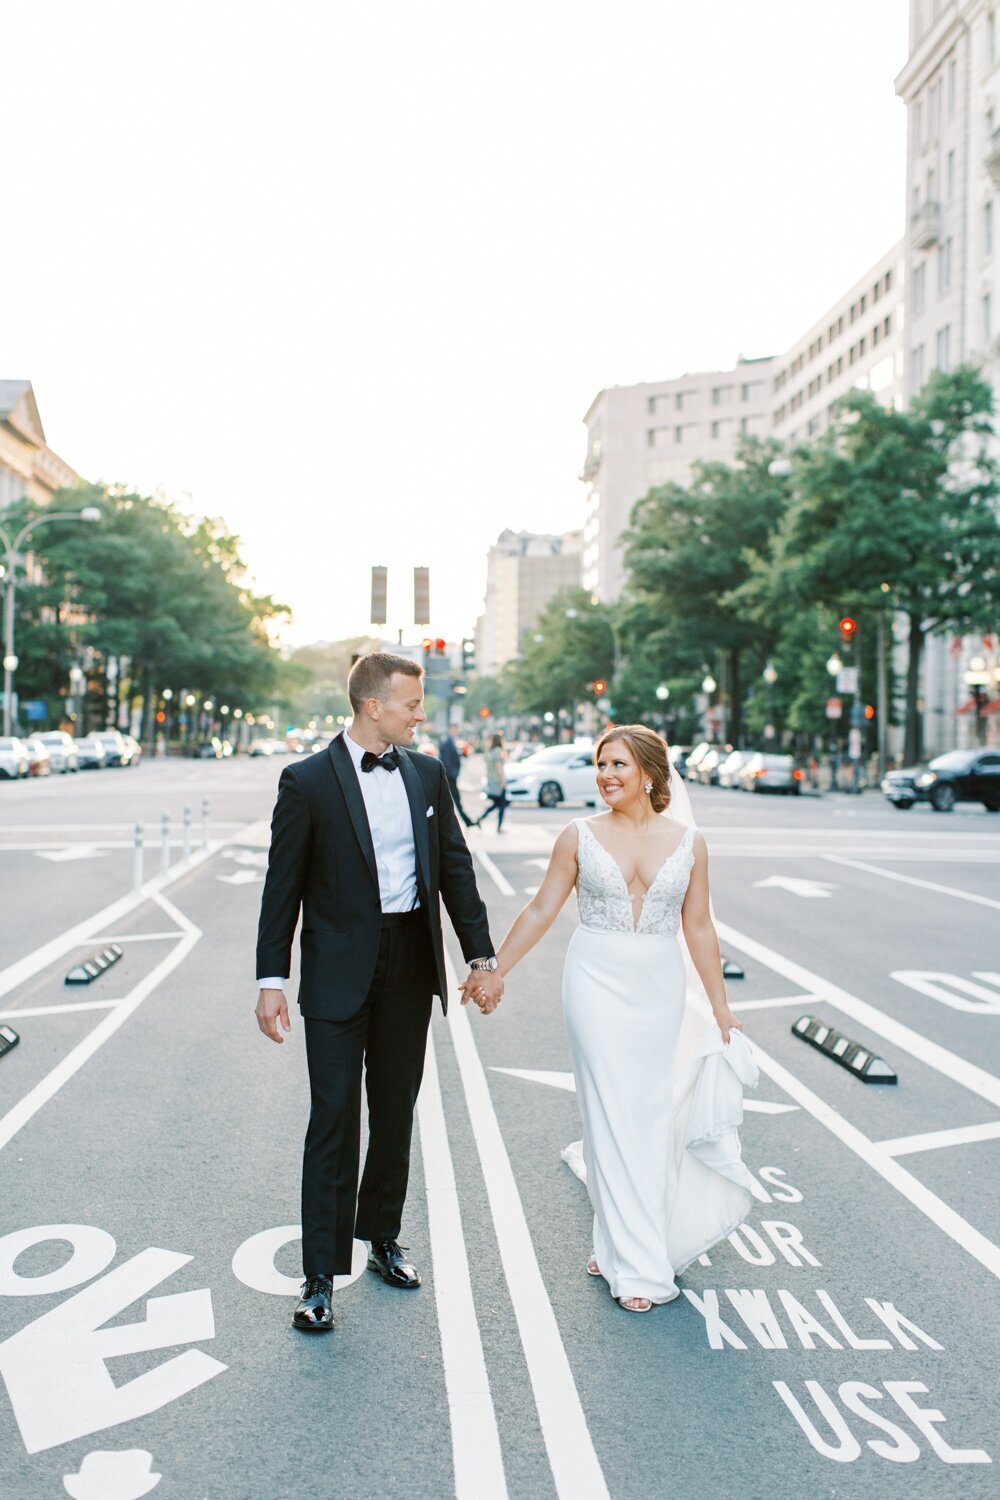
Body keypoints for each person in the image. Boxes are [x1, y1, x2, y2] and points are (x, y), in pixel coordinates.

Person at [462, 723, 756, 1313]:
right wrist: (495, 969)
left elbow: (698, 927)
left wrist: (721, 1007)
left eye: (618, 765)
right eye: (601, 765)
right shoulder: (577, 835)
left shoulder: (689, 842)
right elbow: (544, 907)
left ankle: (615, 1240)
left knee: (643, 1118)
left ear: (648, 772)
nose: (606, 776)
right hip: (594, 980)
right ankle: (639, 1267)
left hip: (657, 985)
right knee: (608, 1114)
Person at [255, 652, 503, 1333]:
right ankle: (317, 1275)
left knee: (395, 1111)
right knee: (334, 1118)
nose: (421, 715)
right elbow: (283, 887)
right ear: (373, 706)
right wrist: (270, 979)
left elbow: (456, 867)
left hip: (409, 965)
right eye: (411, 704)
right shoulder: (306, 781)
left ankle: (383, 1237)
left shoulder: (426, 772)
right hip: (336, 970)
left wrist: (480, 955)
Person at [439, 723, 473, 827]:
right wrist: (453, 773)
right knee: (452, 801)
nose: (456, 732)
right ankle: (466, 822)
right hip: (449, 777)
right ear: (450, 730)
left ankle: (467, 821)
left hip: (451, 776)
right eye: (455, 729)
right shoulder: (447, 743)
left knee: (450, 801)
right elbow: (446, 760)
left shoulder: (453, 742)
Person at [473, 730, 508, 831]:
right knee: (501, 804)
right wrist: (502, 781)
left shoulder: (490, 751)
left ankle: (481, 818)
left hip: (491, 780)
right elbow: (499, 768)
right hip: (497, 782)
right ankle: (499, 827)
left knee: (497, 804)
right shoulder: (498, 751)